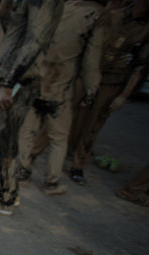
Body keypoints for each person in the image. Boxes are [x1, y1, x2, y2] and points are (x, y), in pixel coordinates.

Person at [0, 0, 64, 215]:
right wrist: (4, 13)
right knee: (6, 137)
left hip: (18, 80)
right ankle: (9, 192)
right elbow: (16, 35)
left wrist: (9, 83)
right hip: (12, 75)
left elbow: (36, 40)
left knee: (6, 137)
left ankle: (7, 197)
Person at [15, 0, 106, 195]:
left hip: (36, 78)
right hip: (60, 86)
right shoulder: (93, 15)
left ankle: (21, 173)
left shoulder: (50, 7)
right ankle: (52, 182)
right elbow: (92, 59)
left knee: (27, 130)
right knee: (58, 137)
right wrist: (91, 91)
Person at [67, 0, 149, 185]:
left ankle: (78, 164)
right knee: (69, 114)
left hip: (112, 81)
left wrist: (123, 96)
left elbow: (139, 67)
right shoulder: (112, 14)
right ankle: (61, 151)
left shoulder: (145, 30)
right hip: (88, 72)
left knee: (93, 124)